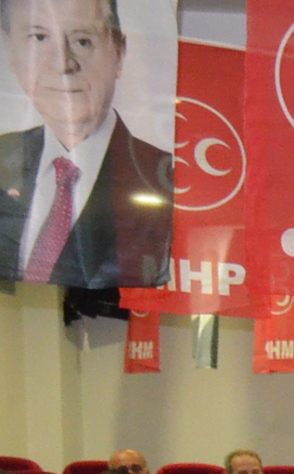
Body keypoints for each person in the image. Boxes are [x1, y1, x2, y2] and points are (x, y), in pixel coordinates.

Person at [0, 0, 172, 288]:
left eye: (83, 41)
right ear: (10, 50)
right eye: (39, 38)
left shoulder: (168, 180)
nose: (63, 64)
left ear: (119, 52)